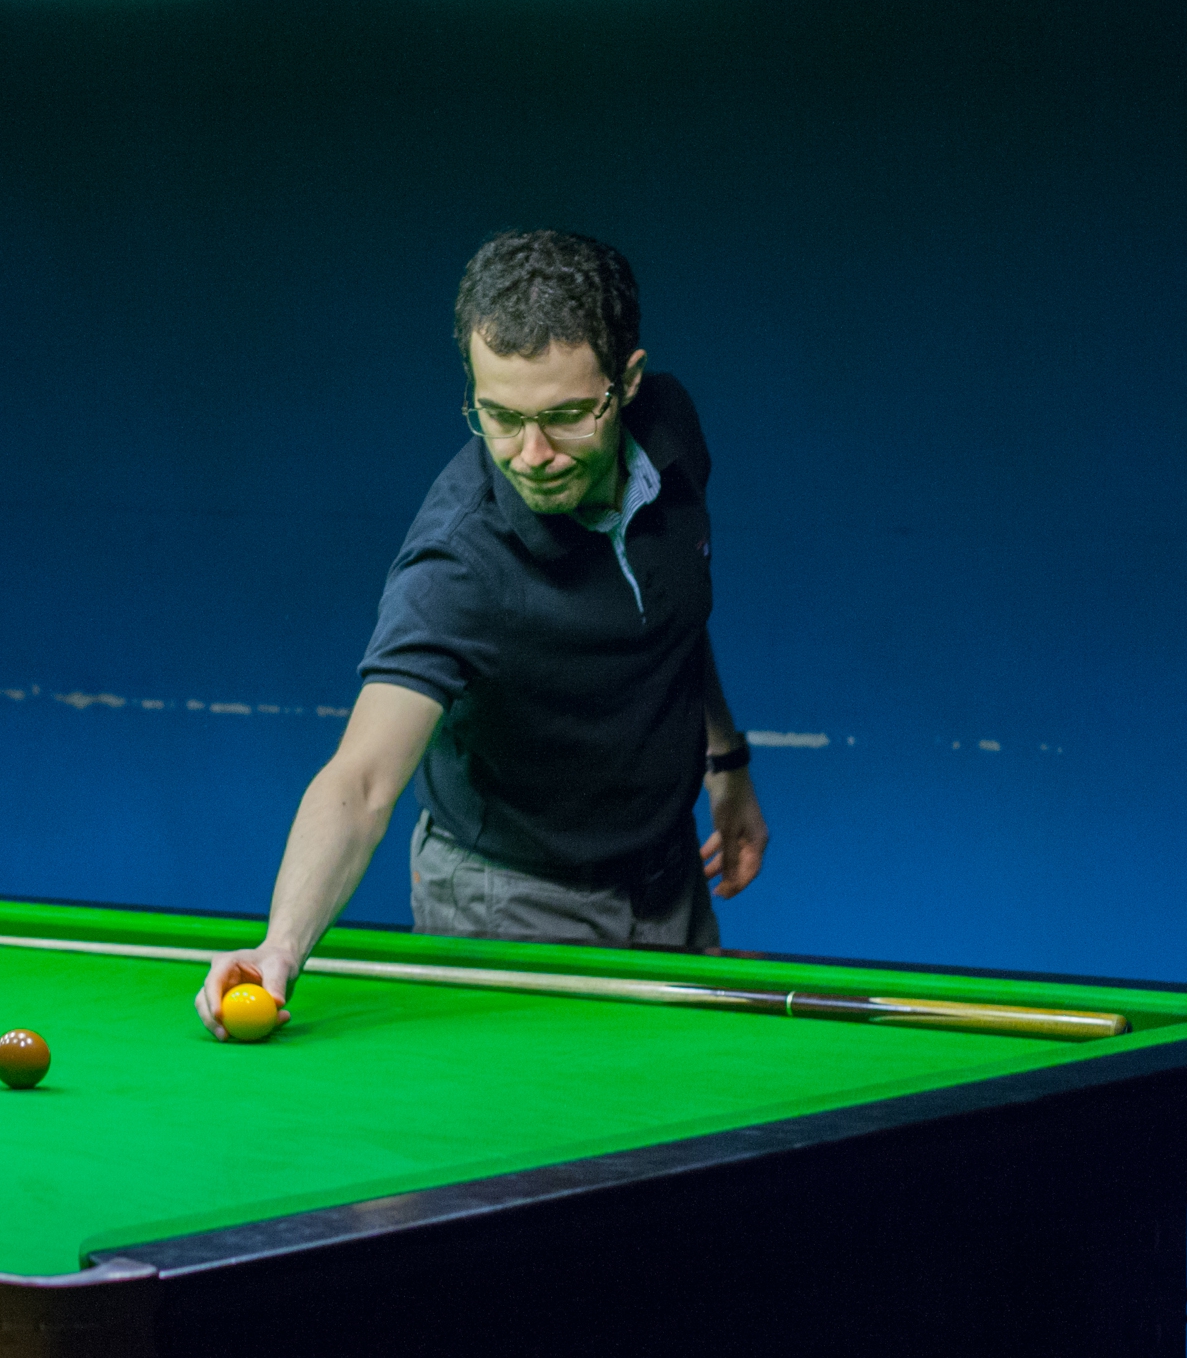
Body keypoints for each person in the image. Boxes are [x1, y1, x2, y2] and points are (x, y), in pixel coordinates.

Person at [196, 230, 769, 1039]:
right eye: (500, 417)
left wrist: (725, 758)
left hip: (665, 872)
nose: (531, 455)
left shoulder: (672, 429)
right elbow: (363, 779)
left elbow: (672, 610)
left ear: (628, 384)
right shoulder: (459, 563)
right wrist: (281, 945)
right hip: (512, 900)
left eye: (565, 416)